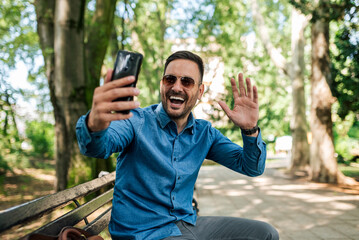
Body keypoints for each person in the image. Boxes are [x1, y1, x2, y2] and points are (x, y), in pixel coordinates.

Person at [76, 51, 279, 240]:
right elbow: (97, 147)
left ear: (200, 91)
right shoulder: (135, 121)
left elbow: (251, 167)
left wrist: (250, 129)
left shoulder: (205, 133)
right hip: (143, 234)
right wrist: (95, 122)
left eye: (187, 81)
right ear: (162, 84)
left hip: (186, 225)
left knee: (266, 233)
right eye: (170, 79)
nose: (176, 87)